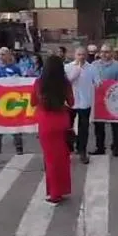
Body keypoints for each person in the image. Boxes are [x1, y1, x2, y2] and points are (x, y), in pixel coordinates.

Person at [31, 55, 74, 205]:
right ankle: (62, 189)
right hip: (62, 121)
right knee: (62, 158)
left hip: (45, 123)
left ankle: (54, 193)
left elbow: (32, 102)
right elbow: (72, 102)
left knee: (50, 159)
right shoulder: (65, 83)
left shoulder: (39, 83)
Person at [91, 44, 118, 156]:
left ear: (112, 53)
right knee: (98, 126)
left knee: (116, 126)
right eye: (102, 51)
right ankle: (100, 147)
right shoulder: (94, 65)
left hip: (114, 100)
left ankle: (116, 148)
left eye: (107, 52)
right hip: (98, 100)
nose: (104, 54)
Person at [0, 47, 24, 155]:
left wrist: (18, 79)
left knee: (15, 124)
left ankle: (19, 147)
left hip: (12, 102)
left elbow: (22, 84)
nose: (1, 57)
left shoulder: (15, 69)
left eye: (3, 54)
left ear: (8, 55)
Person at [65, 47, 99, 164]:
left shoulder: (92, 68)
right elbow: (65, 82)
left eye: (83, 54)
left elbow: (97, 82)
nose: (81, 57)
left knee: (83, 128)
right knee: (67, 127)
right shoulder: (68, 67)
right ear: (75, 55)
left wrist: (97, 83)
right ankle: (68, 149)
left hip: (85, 102)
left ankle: (82, 150)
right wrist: (75, 73)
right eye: (79, 54)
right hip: (70, 102)